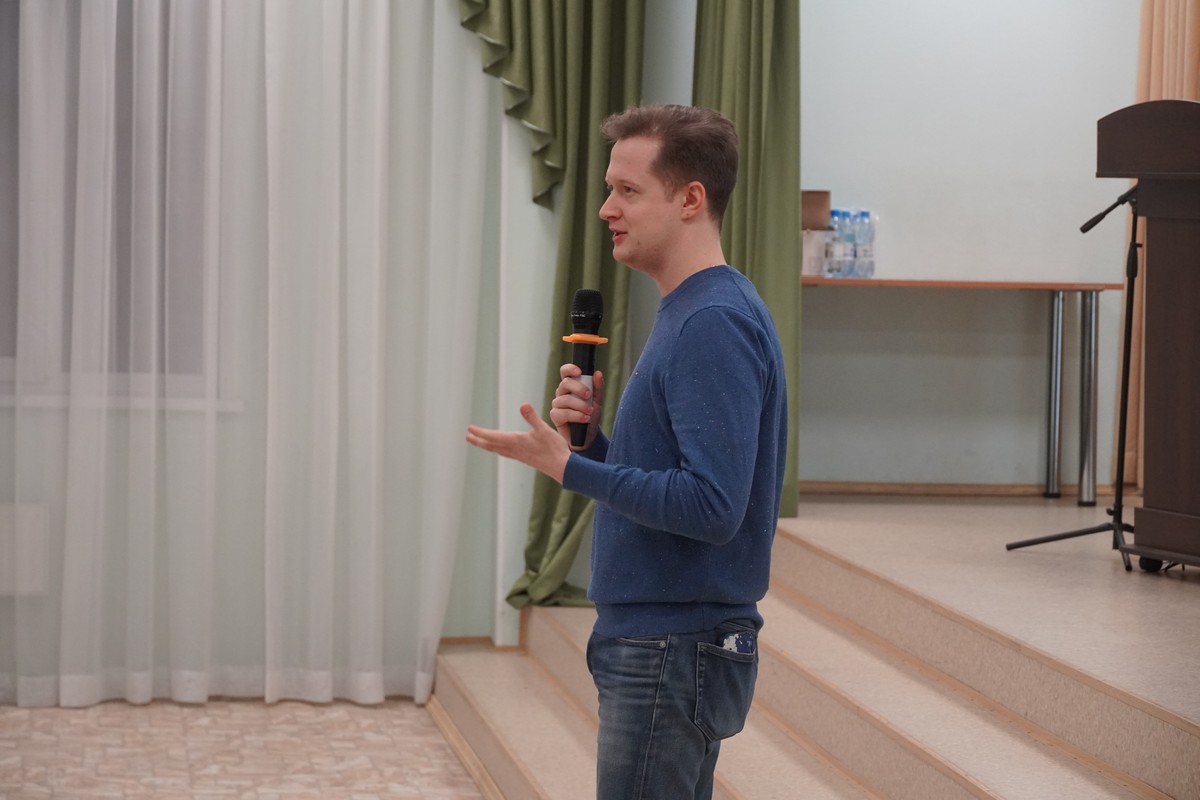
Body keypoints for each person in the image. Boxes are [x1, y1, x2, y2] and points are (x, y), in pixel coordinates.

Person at [466, 104, 788, 800]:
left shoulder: (711, 321)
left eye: (628, 190)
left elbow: (712, 506)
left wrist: (569, 468)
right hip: (666, 638)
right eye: (610, 189)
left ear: (690, 199)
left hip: (671, 644)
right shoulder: (695, 309)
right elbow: (679, 480)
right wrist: (591, 443)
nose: (606, 209)